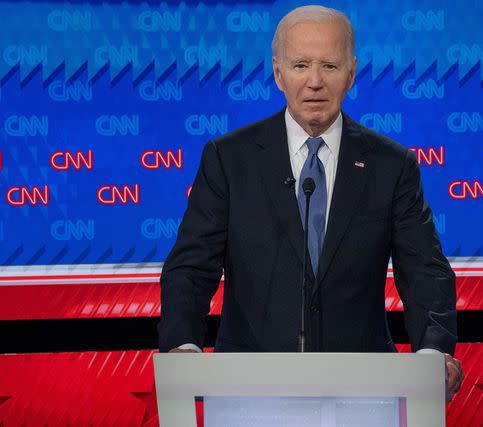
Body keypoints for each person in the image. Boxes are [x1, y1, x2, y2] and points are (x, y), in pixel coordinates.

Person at [158, 5, 463, 400]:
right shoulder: (229, 159)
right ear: (278, 73)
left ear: (351, 73)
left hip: (363, 391)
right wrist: (183, 345)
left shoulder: (392, 165)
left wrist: (432, 352)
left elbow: (425, 271)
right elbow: (191, 267)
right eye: (301, 65)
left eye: (330, 66)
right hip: (249, 389)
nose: (315, 82)